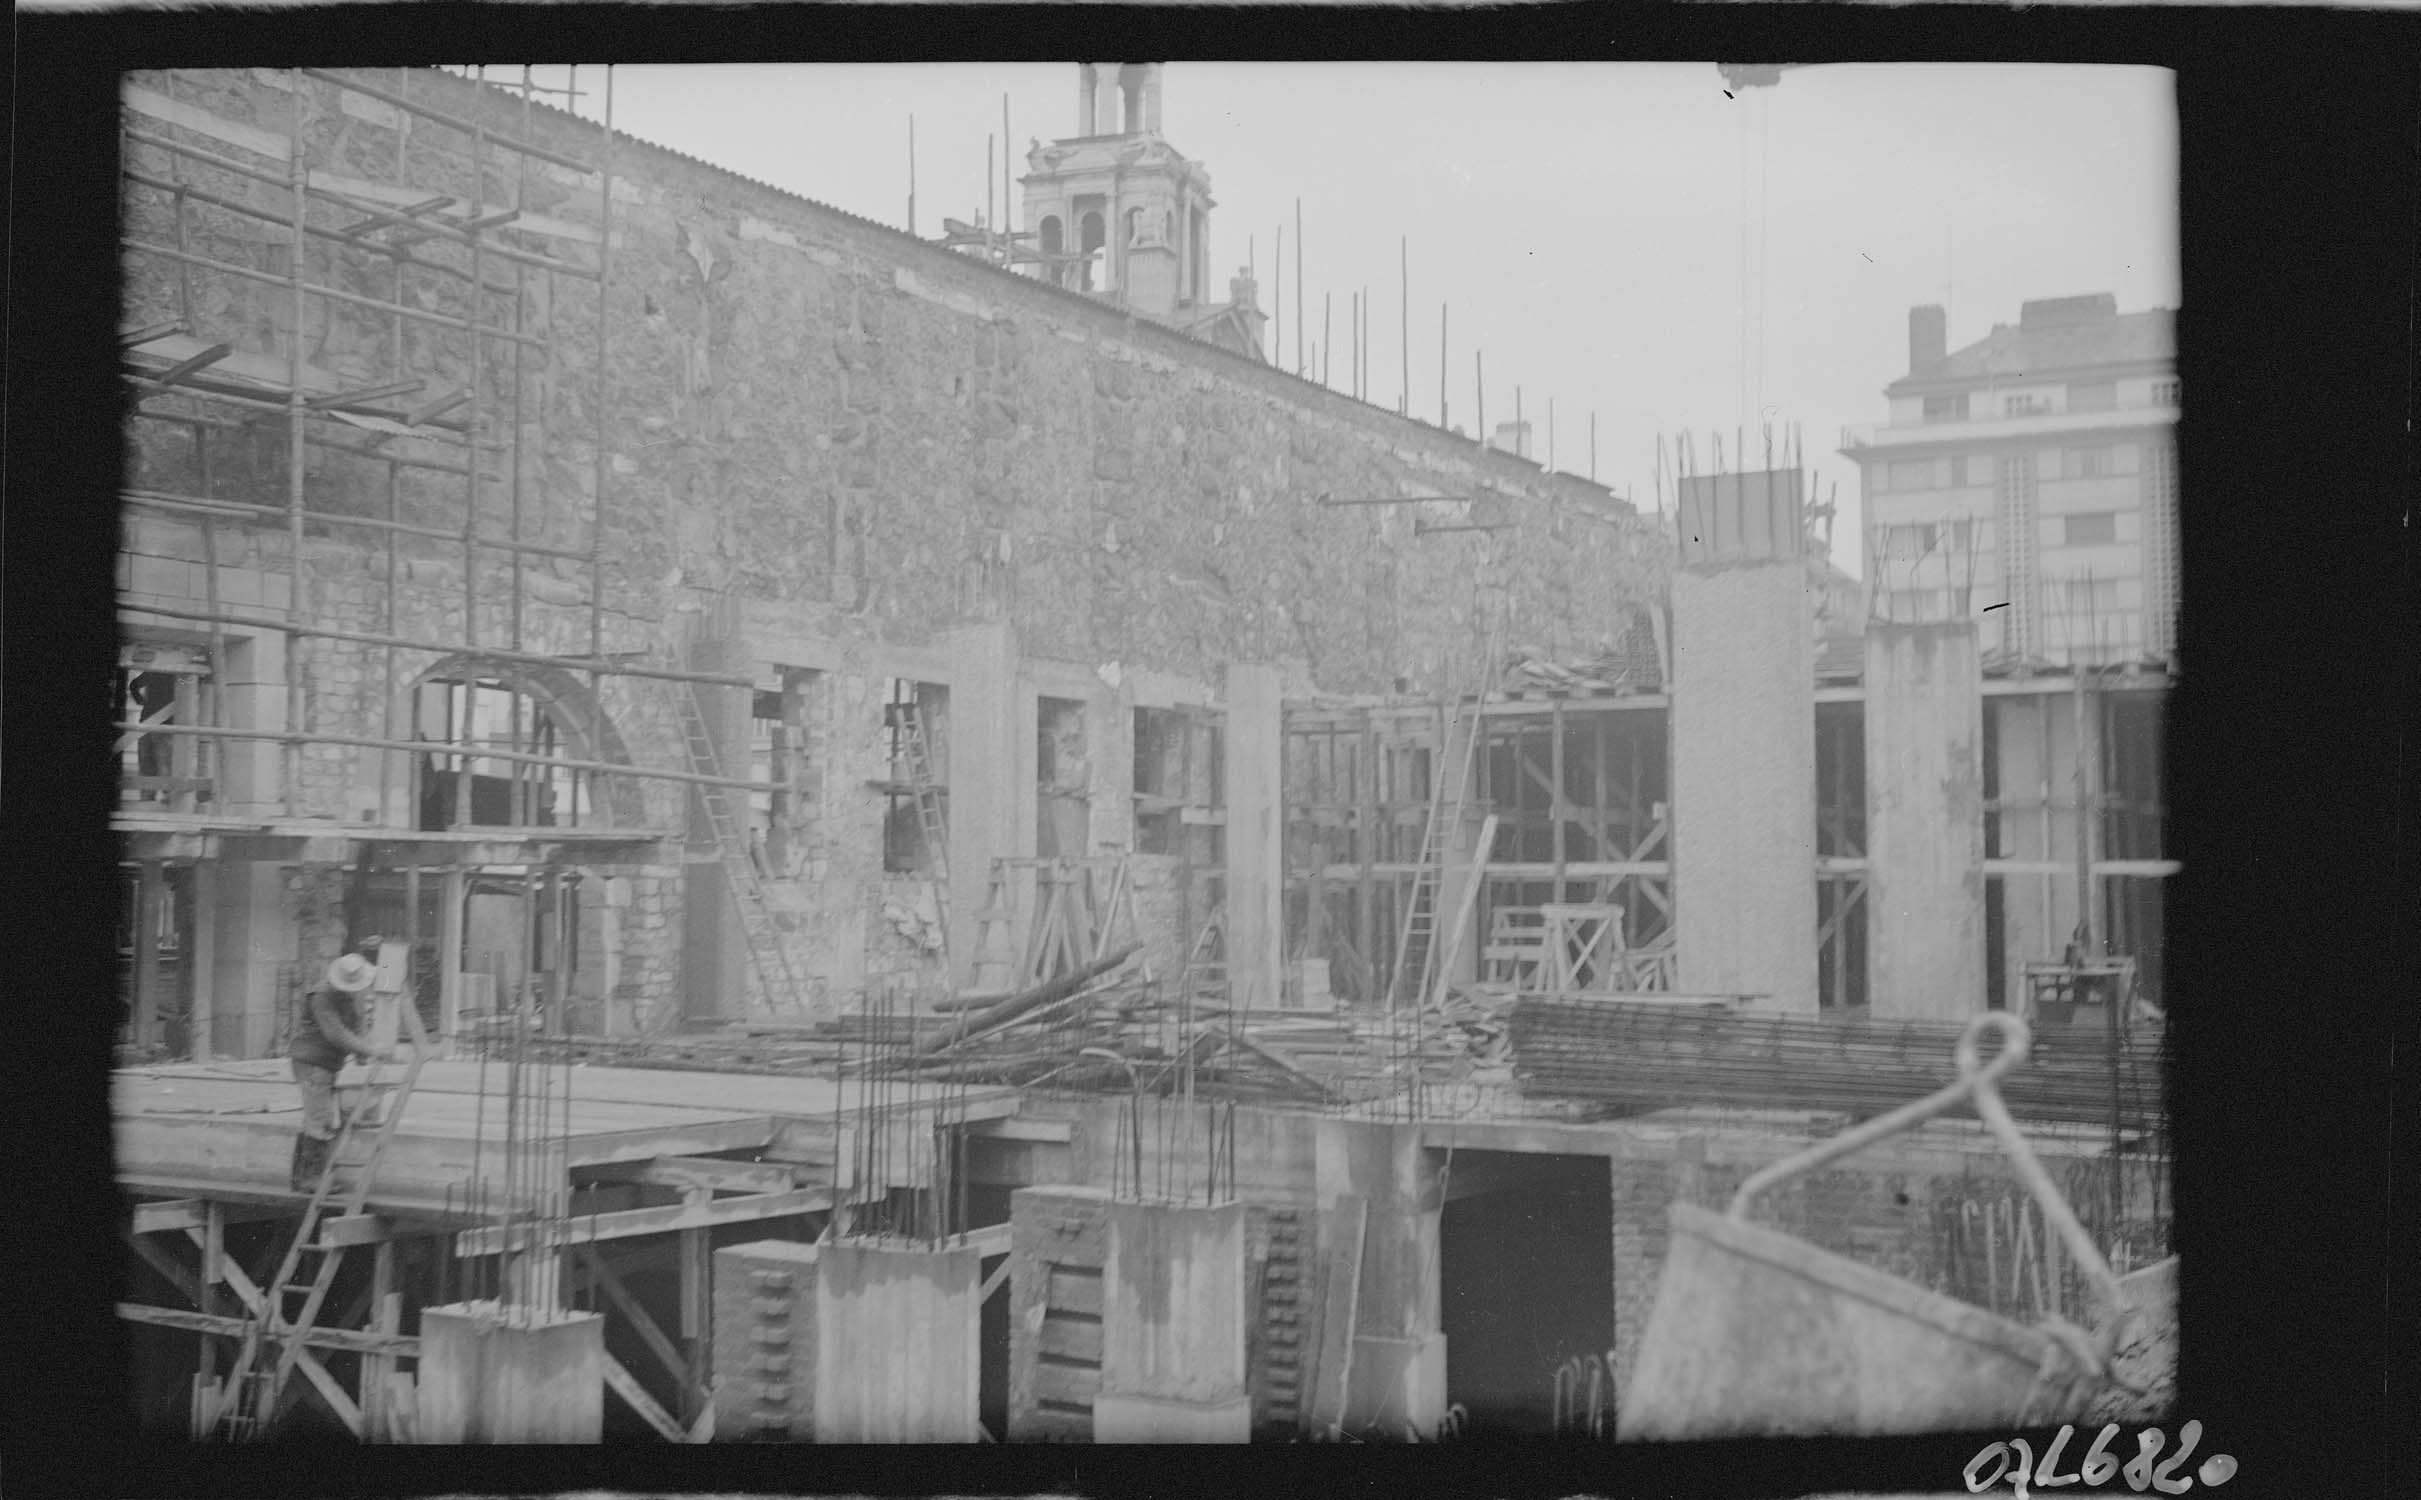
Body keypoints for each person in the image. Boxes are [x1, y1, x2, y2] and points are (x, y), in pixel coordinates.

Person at [288, 939, 401, 1193]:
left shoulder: (350, 995)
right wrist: (368, 1050)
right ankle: (309, 1180)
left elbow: (357, 1023)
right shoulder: (322, 996)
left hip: (326, 1063)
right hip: (312, 1061)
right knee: (321, 1119)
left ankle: (300, 1178)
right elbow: (335, 1033)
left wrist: (363, 1050)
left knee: (315, 1118)